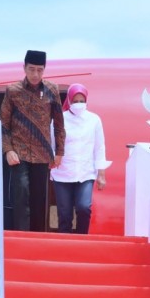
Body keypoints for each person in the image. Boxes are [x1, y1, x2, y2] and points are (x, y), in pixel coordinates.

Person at [0, 50, 65, 232]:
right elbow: (3, 124)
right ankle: (21, 238)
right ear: (24, 68)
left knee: (39, 199)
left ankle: (38, 239)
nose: (35, 74)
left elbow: (59, 124)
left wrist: (59, 152)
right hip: (18, 152)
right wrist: (8, 150)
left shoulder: (52, 90)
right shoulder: (13, 91)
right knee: (21, 194)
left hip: (42, 154)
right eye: (31, 69)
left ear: (44, 70)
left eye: (40, 70)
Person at [50, 83, 111, 234]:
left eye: (81, 101)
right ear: (69, 101)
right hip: (63, 173)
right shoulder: (59, 119)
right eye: (75, 101)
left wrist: (101, 174)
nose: (78, 104)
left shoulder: (94, 120)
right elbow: (52, 145)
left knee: (84, 208)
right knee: (64, 214)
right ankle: (65, 248)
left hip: (85, 172)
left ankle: (82, 239)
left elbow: (99, 147)